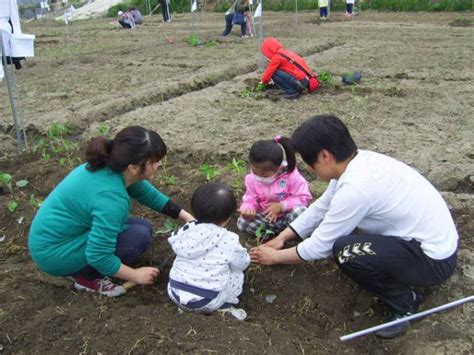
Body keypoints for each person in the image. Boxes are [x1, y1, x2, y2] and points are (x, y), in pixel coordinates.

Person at [250, 115, 458, 339]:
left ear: (325, 156)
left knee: (345, 250)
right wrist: (284, 236)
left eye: (310, 164)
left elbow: (321, 246)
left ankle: (404, 303)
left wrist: (275, 257)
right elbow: (322, 206)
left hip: (432, 260)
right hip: (426, 240)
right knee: (348, 236)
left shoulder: (356, 188)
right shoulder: (359, 162)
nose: (310, 169)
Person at [28, 126, 194, 297]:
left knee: (142, 227)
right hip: (55, 255)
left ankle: (85, 268)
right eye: (155, 161)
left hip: (54, 240)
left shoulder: (112, 167)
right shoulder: (111, 199)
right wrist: (136, 275)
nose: (159, 164)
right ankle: (87, 277)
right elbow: (98, 255)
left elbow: (148, 194)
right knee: (137, 236)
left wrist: (188, 218)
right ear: (134, 168)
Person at [168, 183, 250, 320]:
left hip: (175, 293)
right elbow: (242, 263)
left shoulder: (186, 230)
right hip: (207, 301)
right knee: (237, 273)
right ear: (228, 218)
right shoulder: (229, 240)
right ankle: (226, 308)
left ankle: (184, 308)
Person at [237, 135, 312, 239]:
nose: (258, 176)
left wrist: (282, 206)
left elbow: (303, 197)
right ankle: (270, 235)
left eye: (264, 174)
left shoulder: (291, 176)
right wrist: (248, 209)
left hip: (287, 216)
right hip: (266, 218)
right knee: (242, 222)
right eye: (254, 171)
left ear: (279, 168)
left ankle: (290, 234)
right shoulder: (251, 179)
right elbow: (250, 198)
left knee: (301, 212)